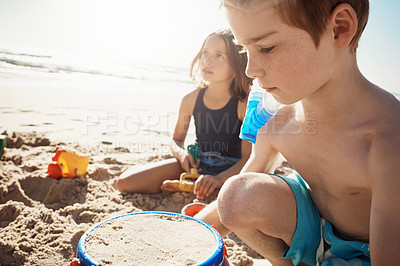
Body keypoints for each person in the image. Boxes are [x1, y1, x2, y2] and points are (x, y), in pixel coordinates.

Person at [193, 0, 400, 265]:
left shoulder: (387, 141)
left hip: (370, 250)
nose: (250, 69)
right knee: (236, 195)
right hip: (312, 229)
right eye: (245, 49)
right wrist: (187, 233)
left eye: (266, 48)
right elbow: (232, 200)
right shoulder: (277, 117)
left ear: (339, 28)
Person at [115, 29, 252, 200]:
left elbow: (248, 159)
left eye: (219, 56)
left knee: (239, 194)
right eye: (205, 53)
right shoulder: (190, 100)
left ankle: (195, 187)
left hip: (231, 170)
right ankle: (196, 186)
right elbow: (176, 140)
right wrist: (181, 155)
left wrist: (218, 179)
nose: (207, 60)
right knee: (124, 182)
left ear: (236, 65)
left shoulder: (243, 104)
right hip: (197, 165)